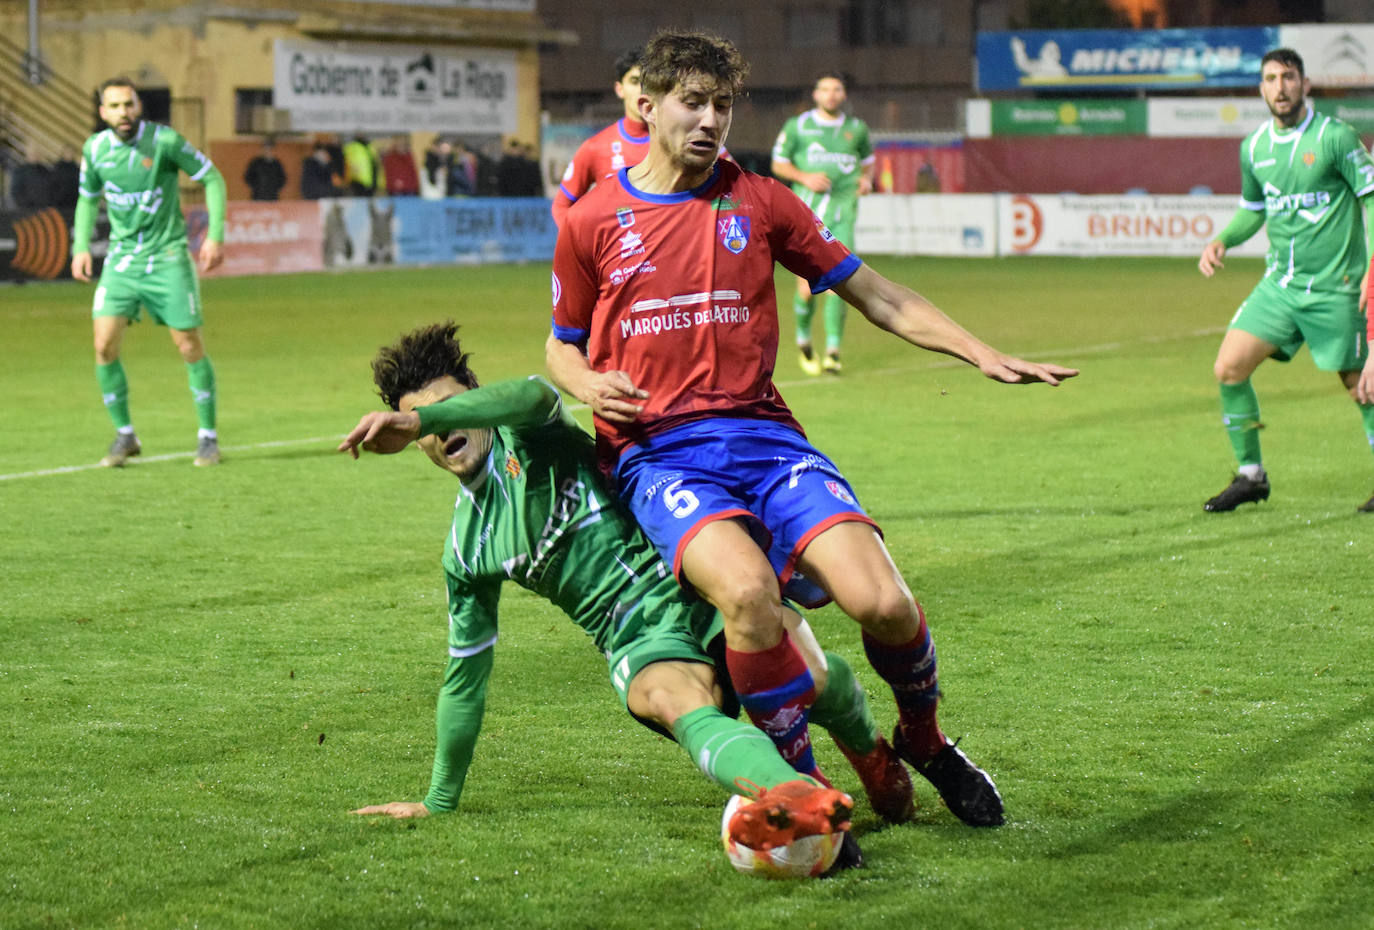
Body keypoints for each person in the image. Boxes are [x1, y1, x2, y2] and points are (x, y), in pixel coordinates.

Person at [547, 30, 1079, 828]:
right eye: (693, 102)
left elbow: (879, 296)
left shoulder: (761, 202)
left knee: (885, 605)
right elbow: (562, 341)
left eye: (722, 104)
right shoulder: (592, 222)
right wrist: (587, 381)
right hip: (661, 456)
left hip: (766, 441)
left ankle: (925, 741)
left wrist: (979, 351)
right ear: (646, 106)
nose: (711, 119)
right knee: (749, 595)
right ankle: (806, 788)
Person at [339, 322, 921, 859]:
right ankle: (793, 795)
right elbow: (464, 681)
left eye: (448, 410)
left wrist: (427, 416)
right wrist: (439, 798)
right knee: (668, 699)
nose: (441, 430)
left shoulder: (532, 434)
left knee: (814, 680)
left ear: (473, 398)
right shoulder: (468, 550)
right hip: (634, 638)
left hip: (695, 580)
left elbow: (533, 392)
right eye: (422, 424)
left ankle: (869, 751)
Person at [1197, 47, 1374, 513]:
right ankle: (1251, 476)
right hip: (1280, 286)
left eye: (1289, 77)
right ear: (1261, 89)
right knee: (1228, 369)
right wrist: (1223, 240)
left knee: (1362, 386)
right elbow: (1253, 210)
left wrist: (1373, 270)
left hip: (1337, 285)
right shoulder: (1253, 147)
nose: (1280, 86)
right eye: (1271, 78)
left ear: (1305, 84)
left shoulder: (1336, 137)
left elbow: (1371, 200)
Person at [71, 76, 225, 467]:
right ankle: (125, 435)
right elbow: (87, 200)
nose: (124, 112)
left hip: (169, 256)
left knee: (188, 344)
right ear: (103, 112)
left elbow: (212, 177)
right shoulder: (95, 149)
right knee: (103, 345)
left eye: (129, 104)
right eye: (115, 106)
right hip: (123, 261)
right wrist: (80, 247)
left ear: (137, 106)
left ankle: (207, 436)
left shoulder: (164, 142)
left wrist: (214, 236)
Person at [771, 71, 875, 375]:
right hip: (807, 217)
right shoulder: (798, 126)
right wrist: (804, 177)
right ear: (815, 94)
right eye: (825, 89)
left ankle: (833, 351)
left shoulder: (856, 129)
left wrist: (866, 181)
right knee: (805, 288)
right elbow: (778, 163)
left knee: (840, 285)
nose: (831, 94)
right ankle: (804, 340)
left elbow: (867, 164)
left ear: (843, 95)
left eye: (837, 89)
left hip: (843, 216)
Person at [550, 48, 648, 228]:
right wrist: (578, 244)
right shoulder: (596, 147)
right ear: (620, 89)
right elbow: (562, 205)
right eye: (634, 81)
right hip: (621, 251)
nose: (642, 89)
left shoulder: (673, 143)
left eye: (647, 82)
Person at [342, 132, 384, 197]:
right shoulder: (351, 147)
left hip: (372, 182)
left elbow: (376, 164)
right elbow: (347, 162)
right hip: (358, 182)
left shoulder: (371, 147)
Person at [11, 143, 51, 209]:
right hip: (26, 210)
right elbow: (15, 191)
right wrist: (25, 205)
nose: (35, 155)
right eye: (33, 153)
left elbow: (50, 188)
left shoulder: (45, 170)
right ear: (27, 154)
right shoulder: (19, 171)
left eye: (37, 153)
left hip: (43, 209)